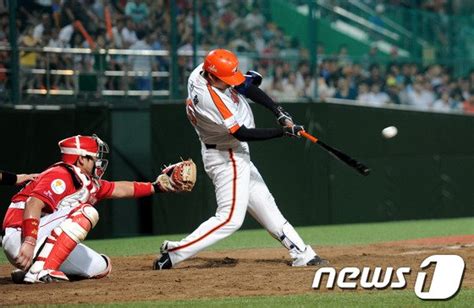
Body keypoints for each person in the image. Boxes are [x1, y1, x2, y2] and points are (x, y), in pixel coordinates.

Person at [153, 49, 327, 270]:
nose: (230, 83)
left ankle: (302, 253)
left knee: (265, 204)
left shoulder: (202, 71)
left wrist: (278, 112)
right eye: (226, 80)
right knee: (230, 219)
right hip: (227, 156)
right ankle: (175, 253)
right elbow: (241, 133)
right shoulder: (209, 98)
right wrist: (283, 132)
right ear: (213, 77)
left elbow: (244, 86)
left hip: (231, 152)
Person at [2, 134, 195, 284]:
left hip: (38, 239)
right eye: (95, 157)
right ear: (80, 160)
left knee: (101, 266)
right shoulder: (61, 173)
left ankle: (31, 269)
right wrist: (28, 241)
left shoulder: (86, 181)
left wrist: (156, 187)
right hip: (21, 235)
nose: (99, 161)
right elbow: (33, 204)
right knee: (86, 212)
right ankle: (41, 271)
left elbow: (119, 188)